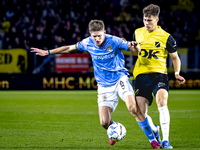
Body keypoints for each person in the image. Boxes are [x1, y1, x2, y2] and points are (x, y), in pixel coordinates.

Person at [31, 19, 161, 149]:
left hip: (120, 79)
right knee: (104, 122)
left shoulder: (114, 41)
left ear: (104, 32)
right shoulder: (87, 43)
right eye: (94, 36)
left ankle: (153, 139)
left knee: (133, 108)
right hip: (104, 86)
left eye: (99, 35)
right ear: (90, 34)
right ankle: (114, 130)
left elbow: (136, 50)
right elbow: (69, 48)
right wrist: (47, 52)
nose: (97, 39)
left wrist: (135, 45)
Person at [132, 4, 186, 149]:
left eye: (149, 20)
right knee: (141, 113)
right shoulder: (137, 33)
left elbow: (175, 57)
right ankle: (155, 129)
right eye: (144, 19)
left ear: (157, 19)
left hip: (159, 75)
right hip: (141, 76)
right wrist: (134, 49)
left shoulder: (166, 37)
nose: (146, 23)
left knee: (162, 103)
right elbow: (135, 54)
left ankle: (166, 140)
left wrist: (176, 73)